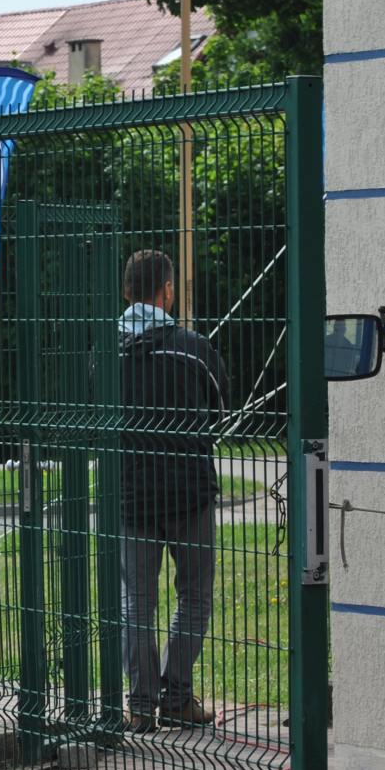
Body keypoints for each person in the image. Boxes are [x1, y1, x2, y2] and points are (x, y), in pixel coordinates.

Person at [116, 250, 230, 733]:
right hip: (190, 492)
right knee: (195, 597)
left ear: (126, 292)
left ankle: (141, 705)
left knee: (136, 603)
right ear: (166, 291)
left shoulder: (105, 352)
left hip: (130, 495)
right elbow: (222, 410)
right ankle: (177, 696)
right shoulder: (194, 348)